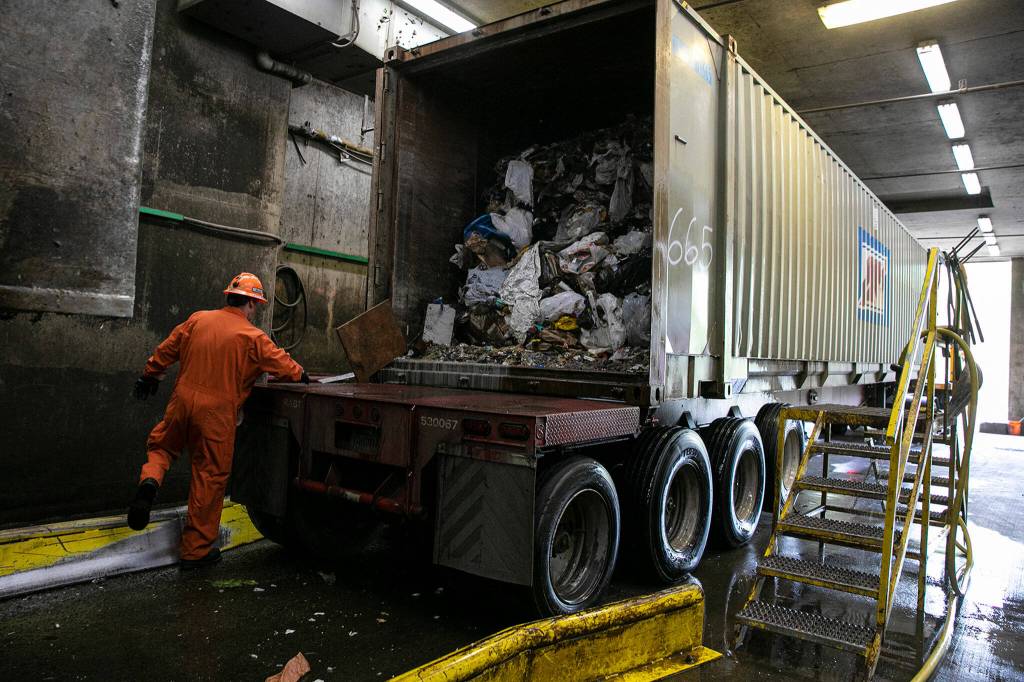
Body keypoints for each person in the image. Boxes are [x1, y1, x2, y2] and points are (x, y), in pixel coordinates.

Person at [127, 272, 308, 568]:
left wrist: (150, 374)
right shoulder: (252, 337)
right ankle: (196, 552)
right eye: (256, 306)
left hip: (182, 402)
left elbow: (166, 349)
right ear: (250, 304)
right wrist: (302, 374)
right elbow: (284, 365)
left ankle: (149, 482)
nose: (255, 312)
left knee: (161, 447)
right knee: (209, 476)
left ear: (229, 296)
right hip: (216, 415)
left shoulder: (198, 319)